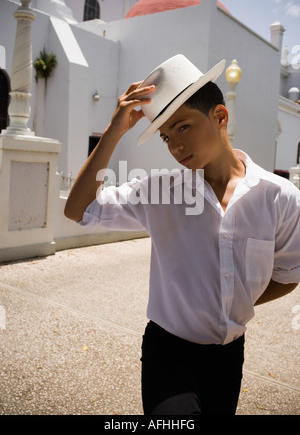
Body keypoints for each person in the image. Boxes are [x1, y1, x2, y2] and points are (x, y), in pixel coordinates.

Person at [64, 55, 300, 415]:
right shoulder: (160, 193)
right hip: (168, 355)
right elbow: (77, 210)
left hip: (230, 358)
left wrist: (233, 301)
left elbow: (286, 275)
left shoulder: (279, 197)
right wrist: (114, 130)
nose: (174, 146)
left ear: (220, 116)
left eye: (183, 127)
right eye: (165, 136)